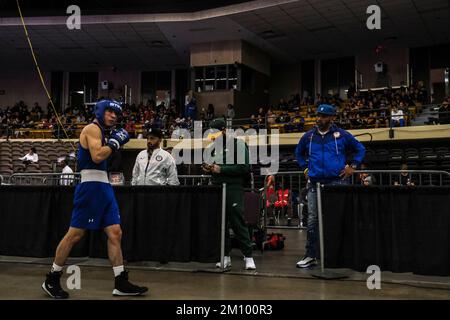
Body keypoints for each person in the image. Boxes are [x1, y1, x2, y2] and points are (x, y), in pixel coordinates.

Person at [42, 99, 148, 299]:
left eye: (116, 113)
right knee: (75, 234)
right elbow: (98, 156)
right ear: (100, 112)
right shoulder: (92, 129)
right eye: (110, 112)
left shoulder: (103, 132)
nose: (114, 116)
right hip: (90, 187)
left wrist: (112, 142)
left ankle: (121, 281)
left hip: (104, 186)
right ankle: (52, 278)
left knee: (115, 233)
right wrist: (115, 143)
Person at [295, 104, 365, 268]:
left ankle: (341, 255)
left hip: (337, 182)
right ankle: (311, 255)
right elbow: (298, 153)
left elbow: (360, 149)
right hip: (314, 183)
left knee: (338, 218)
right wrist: (304, 167)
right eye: (318, 116)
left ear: (332, 117)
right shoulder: (309, 136)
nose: (320, 119)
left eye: (324, 116)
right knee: (312, 220)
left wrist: (353, 166)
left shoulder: (341, 135)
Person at [203, 118, 256, 270]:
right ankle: (225, 256)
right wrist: (209, 169)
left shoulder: (238, 145)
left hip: (233, 187)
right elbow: (213, 165)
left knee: (237, 221)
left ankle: (248, 256)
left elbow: (244, 168)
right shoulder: (213, 147)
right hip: (217, 186)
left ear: (224, 131)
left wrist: (222, 169)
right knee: (220, 223)